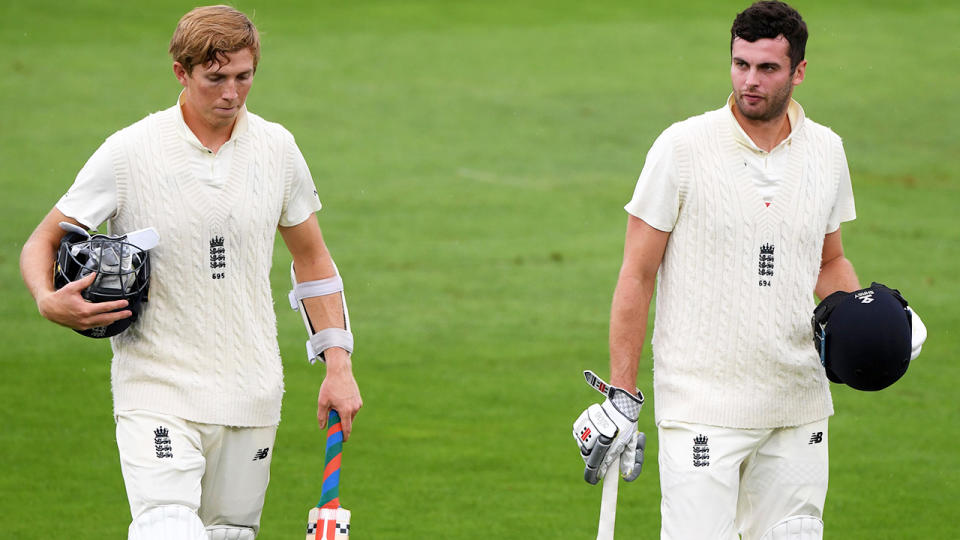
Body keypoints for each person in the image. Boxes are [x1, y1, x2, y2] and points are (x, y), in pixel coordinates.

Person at [18, 6, 361, 539]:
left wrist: (337, 365)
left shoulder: (278, 149)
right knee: (167, 530)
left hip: (253, 391)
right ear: (181, 71)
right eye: (216, 78)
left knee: (228, 533)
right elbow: (44, 239)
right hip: (156, 385)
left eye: (244, 77)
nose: (231, 93)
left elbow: (312, 260)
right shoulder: (129, 151)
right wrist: (47, 298)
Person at [607, 2, 859, 538]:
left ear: (799, 72)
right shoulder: (680, 148)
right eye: (740, 64)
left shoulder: (828, 152)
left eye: (767, 68)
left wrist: (869, 321)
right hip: (701, 407)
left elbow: (829, 260)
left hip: (797, 402)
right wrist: (623, 395)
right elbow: (637, 274)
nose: (750, 81)